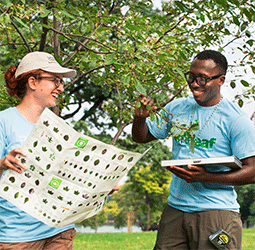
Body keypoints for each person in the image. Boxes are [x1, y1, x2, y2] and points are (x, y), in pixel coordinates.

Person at [132, 50, 255, 250]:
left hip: (216, 212)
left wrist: (206, 176)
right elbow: (142, 137)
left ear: (220, 80)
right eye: (191, 76)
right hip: (176, 209)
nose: (194, 83)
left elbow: (252, 171)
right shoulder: (177, 108)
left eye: (202, 79)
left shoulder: (236, 120)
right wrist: (140, 118)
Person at [0, 51, 120, 249]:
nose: (61, 88)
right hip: (16, 235)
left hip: (59, 231)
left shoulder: (59, 128)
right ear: (33, 82)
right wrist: (2, 163)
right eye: (55, 80)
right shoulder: (4, 121)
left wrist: (99, 188)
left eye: (61, 82)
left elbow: (69, 177)